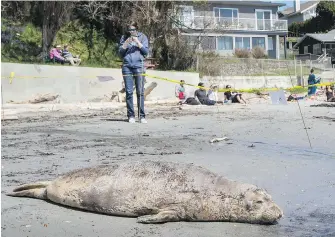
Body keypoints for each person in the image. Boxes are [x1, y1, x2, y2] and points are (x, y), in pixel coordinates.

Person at [119, 21, 149, 124]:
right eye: (129, 30)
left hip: (139, 66)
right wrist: (125, 44)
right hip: (127, 66)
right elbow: (120, 53)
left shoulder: (142, 37)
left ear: (137, 29)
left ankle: (142, 116)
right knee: (129, 92)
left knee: (140, 92)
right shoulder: (124, 37)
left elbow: (146, 52)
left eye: (133, 29)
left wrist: (138, 43)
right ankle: (131, 115)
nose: (131, 32)